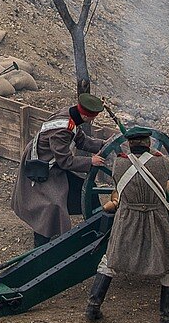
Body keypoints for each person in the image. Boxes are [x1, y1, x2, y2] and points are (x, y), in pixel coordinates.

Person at [86, 129, 169, 323]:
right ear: (148, 143)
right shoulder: (160, 162)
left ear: (131, 145)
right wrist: (158, 156)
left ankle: (93, 306)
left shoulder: (119, 163)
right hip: (156, 218)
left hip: (126, 219)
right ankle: (165, 317)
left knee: (110, 261)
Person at [11, 93, 107, 247]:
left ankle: (95, 228)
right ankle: (41, 245)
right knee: (51, 205)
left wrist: (103, 145)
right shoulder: (62, 130)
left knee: (84, 189)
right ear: (84, 114)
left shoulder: (72, 116)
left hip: (53, 163)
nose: (93, 120)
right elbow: (65, 161)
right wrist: (91, 161)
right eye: (92, 117)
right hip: (41, 166)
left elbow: (81, 140)